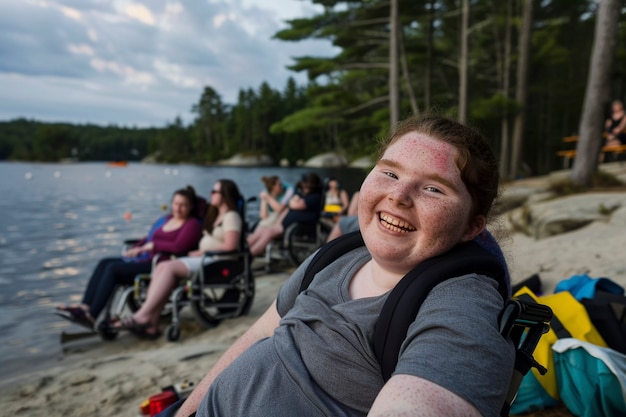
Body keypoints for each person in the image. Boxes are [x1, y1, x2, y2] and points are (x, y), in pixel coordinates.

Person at [166, 115, 513, 417]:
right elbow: (257, 335)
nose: (399, 195)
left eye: (435, 188)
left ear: (471, 226)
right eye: (390, 172)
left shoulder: (462, 302)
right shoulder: (336, 256)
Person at [56, 186, 203, 329]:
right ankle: (85, 307)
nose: (178, 208)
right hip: (144, 257)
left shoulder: (192, 225)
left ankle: (92, 315)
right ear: (172, 203)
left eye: (184, 205)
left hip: (159, 262)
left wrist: (153, 246)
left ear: (190, 207)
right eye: (176, 204)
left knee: (113, 269)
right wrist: (136, 247)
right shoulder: (166, 219)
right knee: (104, 262)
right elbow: (148, 239)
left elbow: (178, 247)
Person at [113, 179, 243, 339]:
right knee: (163, 266)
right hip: (205, 258)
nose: (211, 194)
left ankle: (143, 315)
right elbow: (200, 205)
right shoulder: (215, 215)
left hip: (218, 260)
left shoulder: (231, 216)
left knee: (168, 268)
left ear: (225, 195)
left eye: (214, 191)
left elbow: (231, 246)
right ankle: (152, 322)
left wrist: (202, 251)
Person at [246, 172, 323, 257]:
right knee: (263, 230)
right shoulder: (303, 195)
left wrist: (292, 201)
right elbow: (289, 207)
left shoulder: (315, 197)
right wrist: (278, 223)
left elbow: (294, 205)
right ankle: (244, 250)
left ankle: (250, 255)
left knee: (268, 232)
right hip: (285, 225)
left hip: (298, 227)